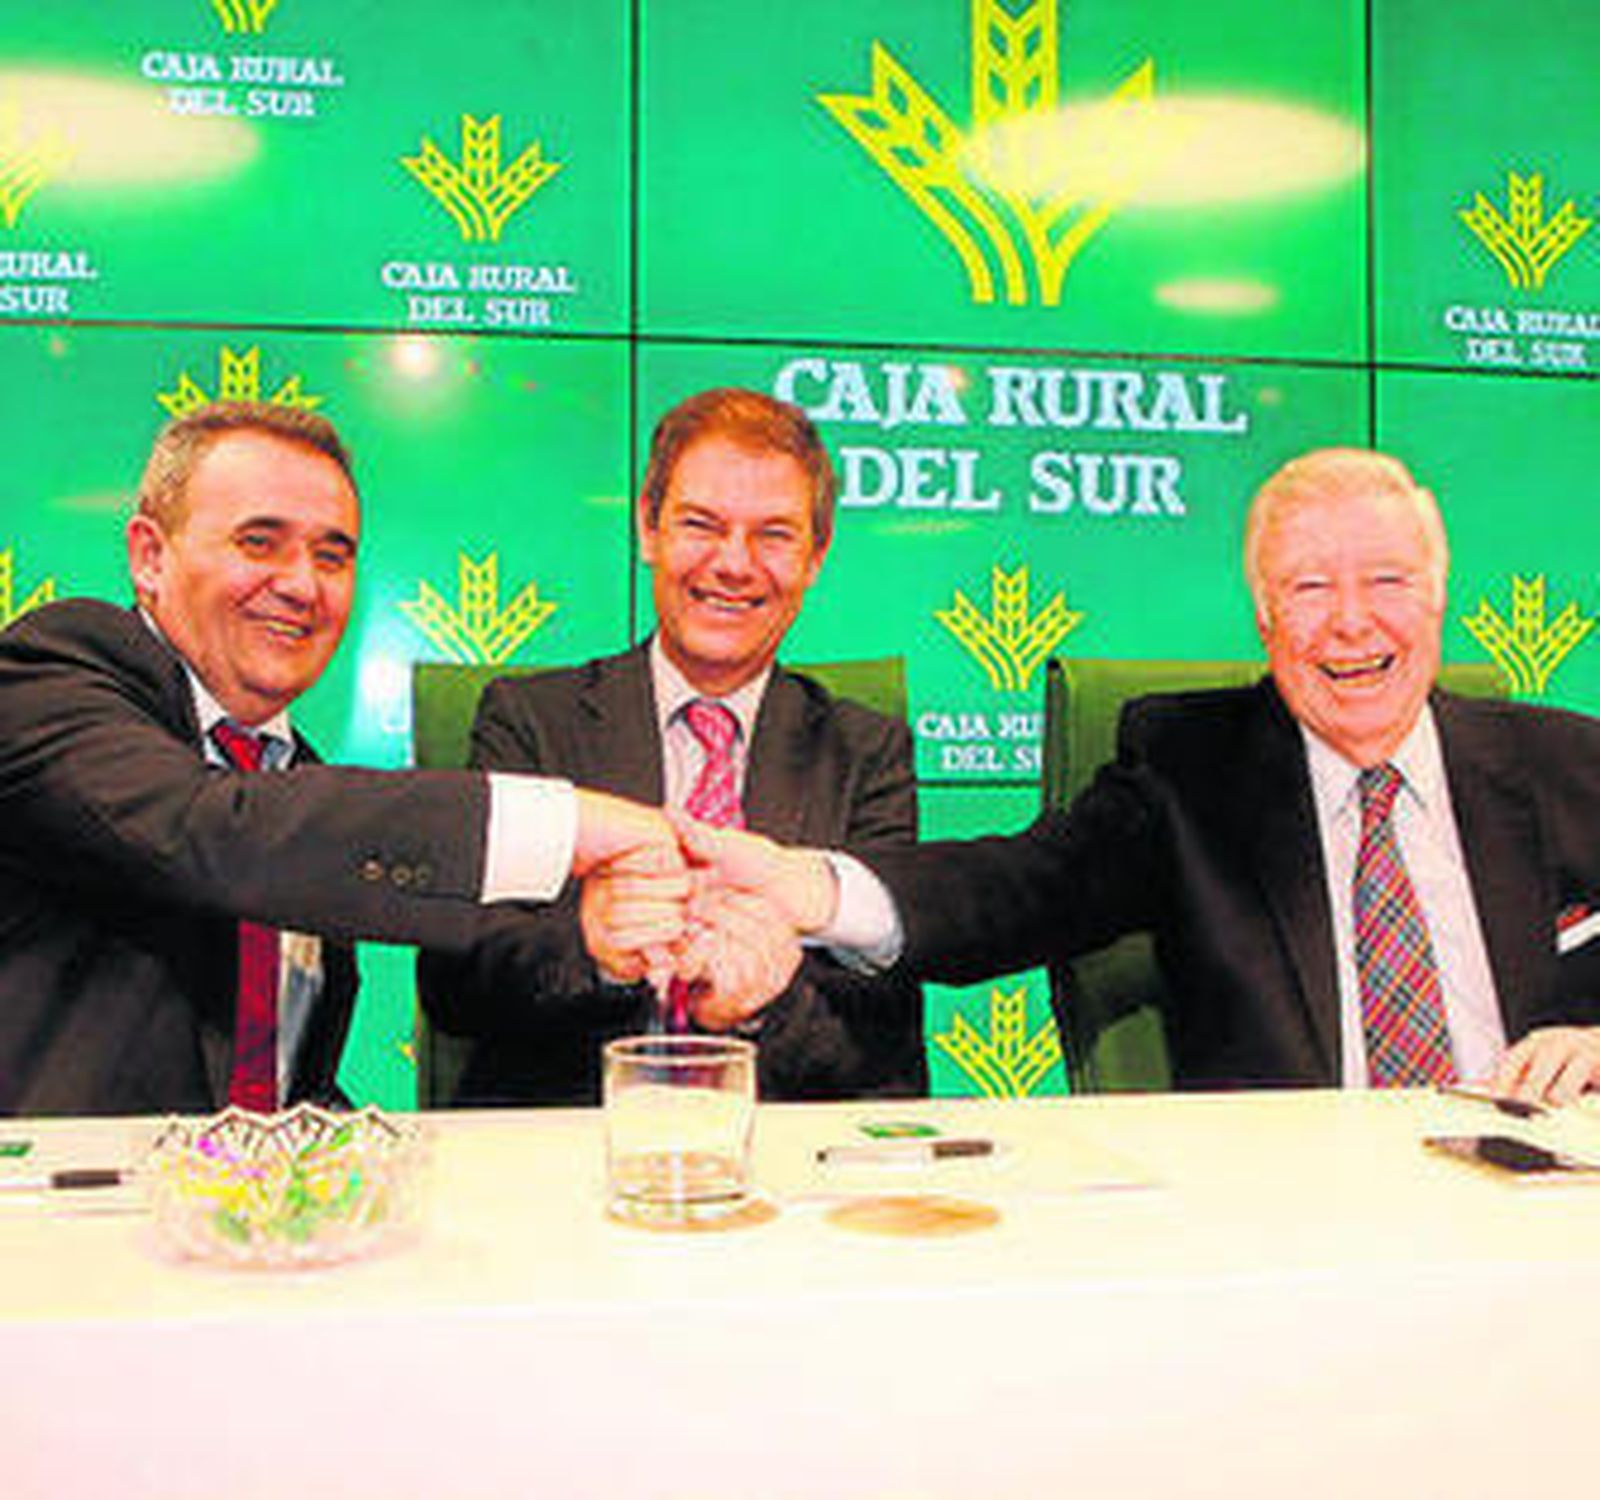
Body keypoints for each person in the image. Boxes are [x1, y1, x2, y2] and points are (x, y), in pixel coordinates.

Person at [683, 447, 1600, 1105]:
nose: (1352, 624)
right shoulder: (1192, 770)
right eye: (1310, 590)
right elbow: (1015, 888)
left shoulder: (1570, 762)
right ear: (1265, 620)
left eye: (1388, 582)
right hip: (1295, 1232)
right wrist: (809, 884)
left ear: (1439, 596)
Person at [0, 400, 681, 1116]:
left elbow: (286, 1085)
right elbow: (215, 833)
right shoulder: (54, 671)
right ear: (150, 557)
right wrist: (572, 824)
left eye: (333, 555)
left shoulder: (298, 788)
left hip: (257, 1216)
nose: (302, 585)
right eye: (260, 543)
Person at [419, 387, 925, 1103]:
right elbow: (456, 985)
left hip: (780, 1156)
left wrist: (762, 1005)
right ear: (648, 530)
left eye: (774, 535)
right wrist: (593, 951)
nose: (734, 564)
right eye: (701, 525)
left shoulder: (863, 752)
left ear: (815, 557)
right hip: (568, 1150)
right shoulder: (530, 719)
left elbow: (887, 1037)